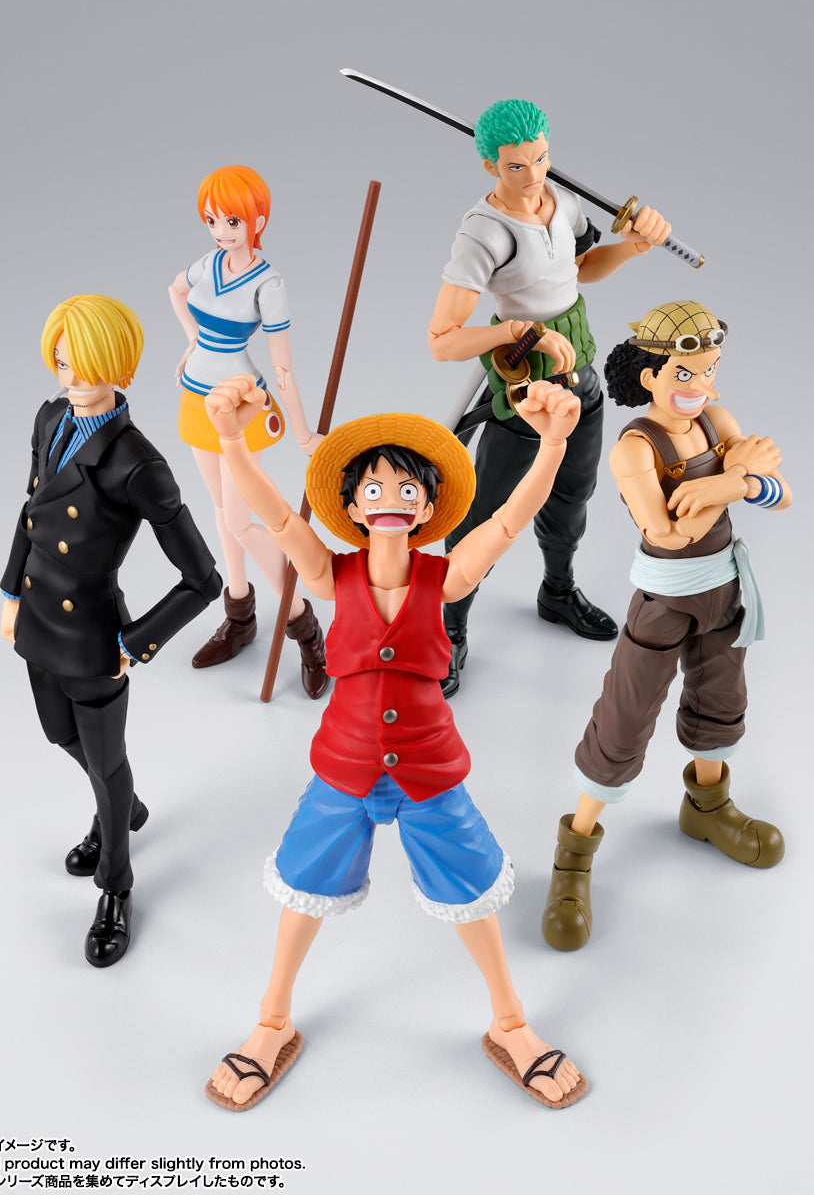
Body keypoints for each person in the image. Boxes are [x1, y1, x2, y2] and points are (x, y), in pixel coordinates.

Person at [200, 373, 587, 1111]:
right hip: (343, 767)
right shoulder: (329, 572)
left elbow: (510, 520)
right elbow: (275, 515)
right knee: (304, 884)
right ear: (350, 506)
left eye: (408, 490)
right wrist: (230, 441)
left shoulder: (446, 578)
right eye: (374, 488)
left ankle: (510, 1022)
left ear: (428, 507)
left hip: (430, 770)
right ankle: (272, 1019)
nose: (391, 501)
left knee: (472, 889)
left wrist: (553, 447)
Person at [540, 301, 791, 952]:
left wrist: (731, 485)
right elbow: (666, 533)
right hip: (667, 596)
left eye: (710, 370)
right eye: (685, 373)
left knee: (722, 700)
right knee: (625, 716)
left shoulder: (716, 422)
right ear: (650, 376)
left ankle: (708, 807)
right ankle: (574, 855)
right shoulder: (635, 448)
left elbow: (781, 492)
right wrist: (733, 482)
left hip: (726, 589)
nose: (701, 386)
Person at [0, 294, 223, 966]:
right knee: (58, 734)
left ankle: (116, 884)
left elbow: (203, 579)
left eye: (86, 363)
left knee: (105, 763)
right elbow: (30, 511)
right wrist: (10, 591)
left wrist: (136, 642)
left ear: (120, 366)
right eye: (63, 361)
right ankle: (123, 806)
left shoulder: (138, 463)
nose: (72, 377)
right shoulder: (49, 418)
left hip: (93, 634)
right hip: (38, 616)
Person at [429, 97, 673, 696]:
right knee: (484, 514)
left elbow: (582, 269)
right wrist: (519, 331)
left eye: (541, 159)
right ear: (491, 166)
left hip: (580, 375)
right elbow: (443, 341)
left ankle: (557, 591)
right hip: (523, 391)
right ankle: (448, 627)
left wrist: (633, 247)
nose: (534, 175)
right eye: (517, 166)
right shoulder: (484, 233)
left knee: (572, 497)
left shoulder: (564, 204)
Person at [168, 164, 327, 697]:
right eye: (212, 220)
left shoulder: (268, 283)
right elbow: (174, 290)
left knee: (240, 521)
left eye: (232, 220)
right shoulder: (208, 263)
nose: (221, 231)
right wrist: (193, 341)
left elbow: (283, 370)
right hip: (196, 398)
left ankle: (303, 625)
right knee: (221, 510)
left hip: (240, 405)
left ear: (257, 220)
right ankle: (240, 616)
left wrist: (303, 435)